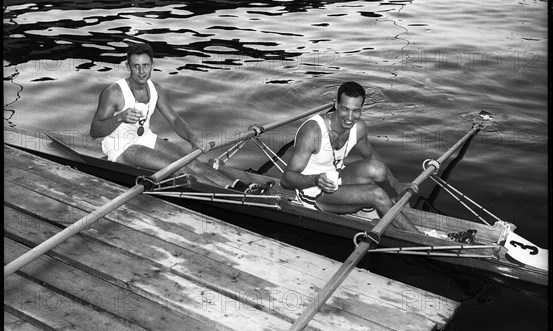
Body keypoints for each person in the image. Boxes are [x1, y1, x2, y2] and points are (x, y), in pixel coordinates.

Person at [90, 42, 262, 191]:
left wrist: (192, 139)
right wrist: (120, 118)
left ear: (152, 65)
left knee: (193, 162)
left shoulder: (155, 88)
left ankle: (242, 188)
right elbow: (95, 131)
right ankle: (228, 195)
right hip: (122, 147)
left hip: (146, 138)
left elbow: (174, 119)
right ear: (128, 66)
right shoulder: (114, 92)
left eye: (146, 65)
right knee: (180, 170)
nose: (141, 71)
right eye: (136, 66)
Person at [280, 81, 419, 232]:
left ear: (362, 109)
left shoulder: (358, 128)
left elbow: (371, 155)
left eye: (356, 111)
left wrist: (395, 183)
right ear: (336, 104)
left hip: (337, 177)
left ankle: (367, 206)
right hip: (312, 189)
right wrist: (315, 179)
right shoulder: (313, 132)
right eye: (345, 109)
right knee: (377, 194)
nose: (350, 117)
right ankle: (422, 240)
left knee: (378, 169)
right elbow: (286, 180)